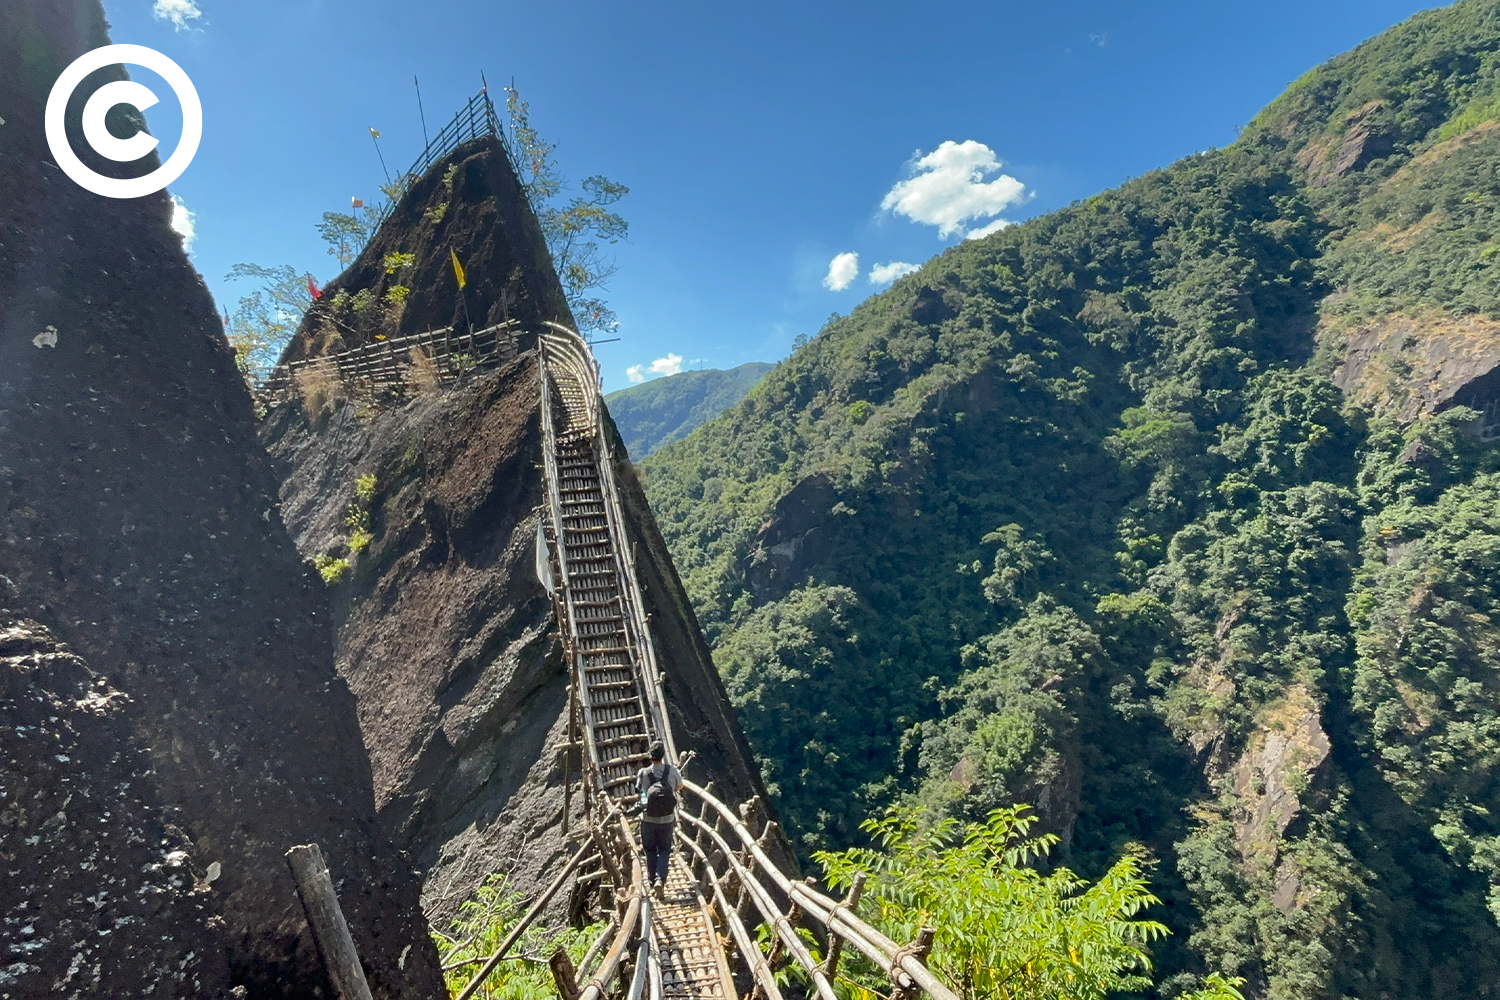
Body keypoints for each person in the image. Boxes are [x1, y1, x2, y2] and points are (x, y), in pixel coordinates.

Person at [636, 741, 682, 900]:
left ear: (650, 755)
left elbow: (640, 791)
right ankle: (659, 879)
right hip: (667, 819)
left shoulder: (643, 772)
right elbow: (679, 787)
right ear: (663, 755)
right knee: (664, 850)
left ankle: (651, 882)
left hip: (648, 819)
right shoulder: (672, 770)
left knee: (649, 850)